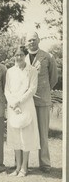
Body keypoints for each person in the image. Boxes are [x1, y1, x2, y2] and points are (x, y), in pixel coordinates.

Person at [25, 32, 58, 173]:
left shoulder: (48, 57)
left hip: (43, 100)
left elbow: (54, 78)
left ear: (39, 40)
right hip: (27, 101)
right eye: (29, 40)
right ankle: (22, 163)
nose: (31, 42)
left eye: (34, 39)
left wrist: (44, 89)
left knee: (43, 133)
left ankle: (45, 164)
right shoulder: (22, 57)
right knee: (25, 131)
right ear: (26, 43)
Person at [5, 46, 40, 177]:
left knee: (26, 137)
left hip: (26, 105)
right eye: (16, 54)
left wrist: (19, 102)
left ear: (25, 55)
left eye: (21, 54)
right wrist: (13, 103)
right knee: (15, 137)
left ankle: (24, 168)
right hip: (13, 107)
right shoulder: (10, 71)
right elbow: (7, 90)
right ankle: (17, 167)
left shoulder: (32, 70)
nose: (18, 57)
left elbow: (32, 89)